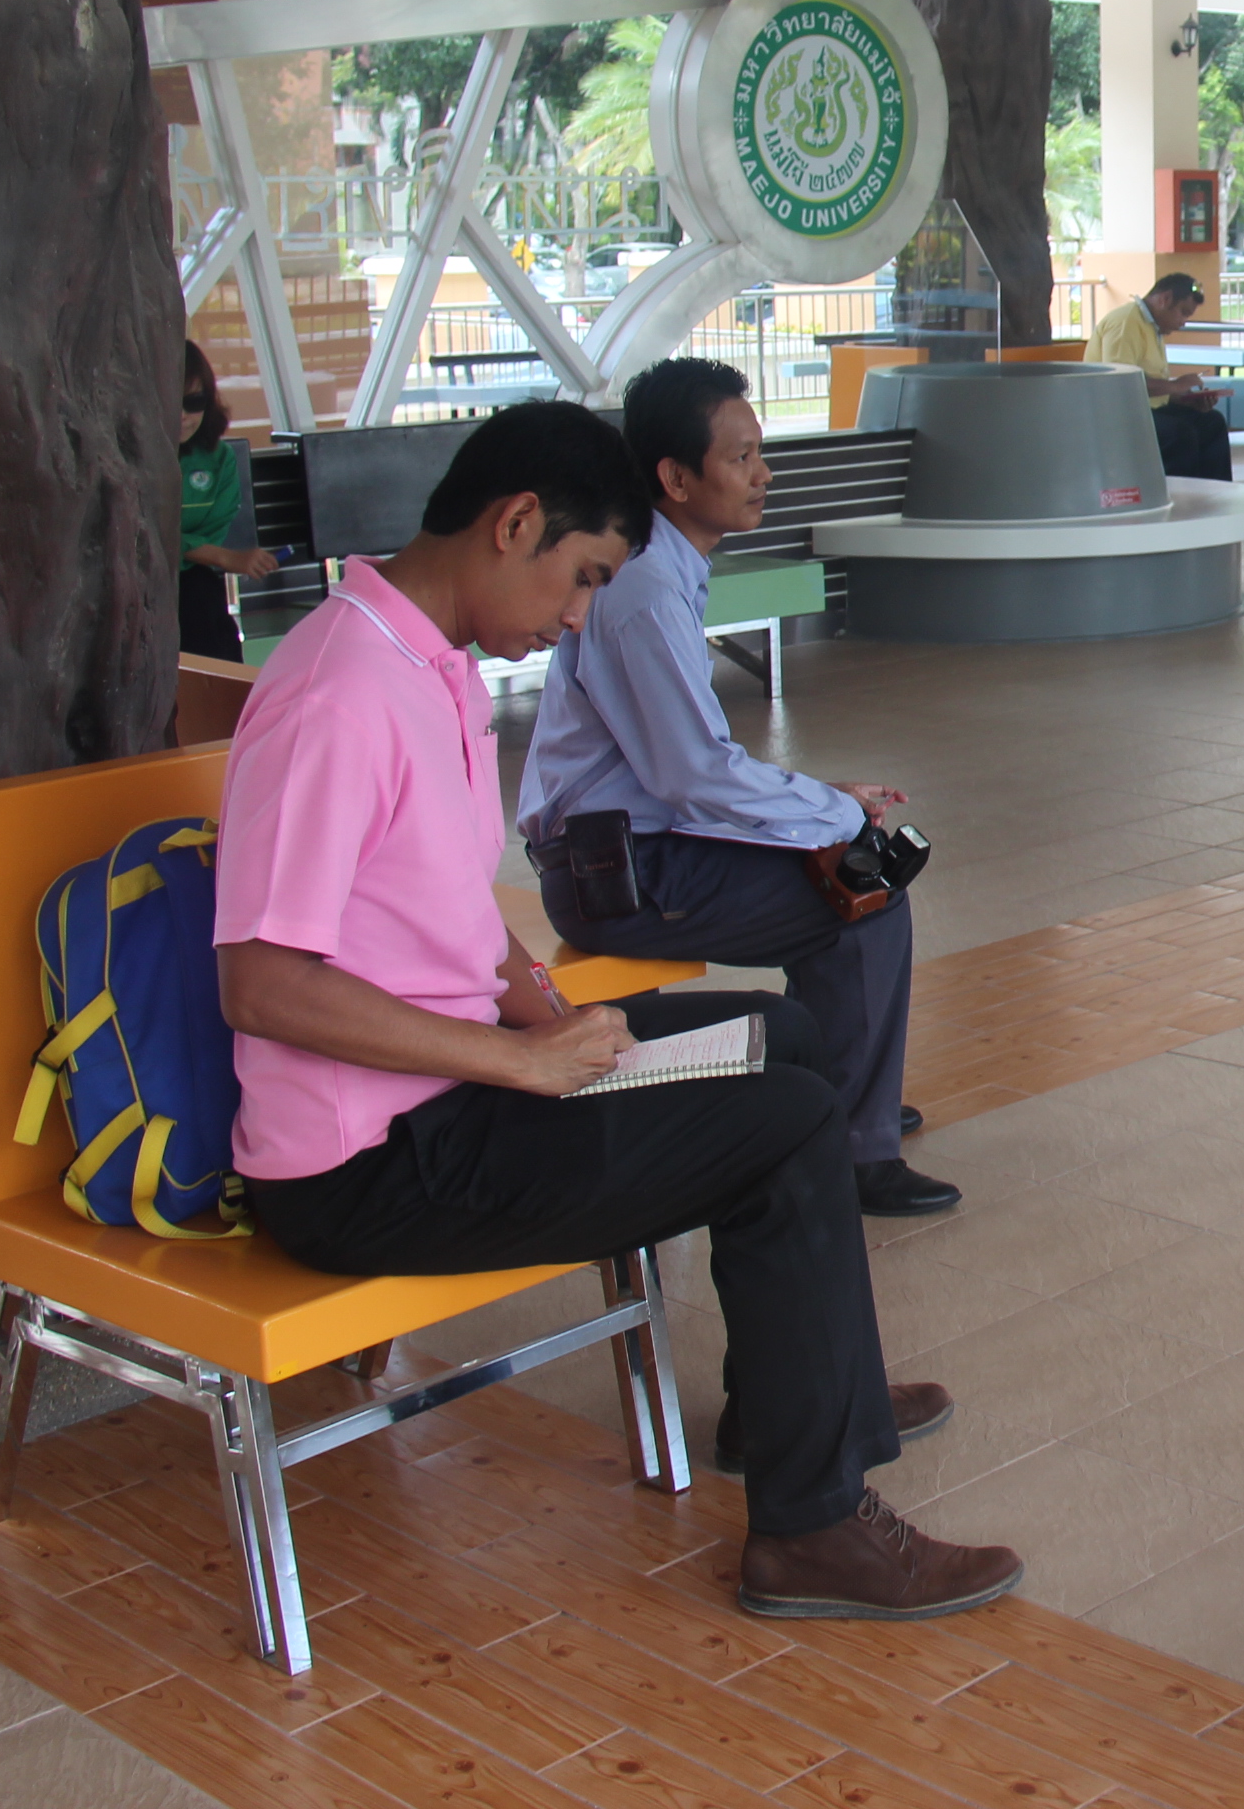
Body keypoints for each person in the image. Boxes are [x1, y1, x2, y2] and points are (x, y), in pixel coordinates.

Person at [217, 401, 1018, 1621]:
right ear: (514, 524)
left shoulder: (430, 664)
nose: (582, 615)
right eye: (584, 577)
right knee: (788, 1127)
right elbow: (264, 984)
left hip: (462, 1088)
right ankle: (810, 1529)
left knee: (790, 1040)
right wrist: (520, 1063)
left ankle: (795, 1406)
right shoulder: (338, 692)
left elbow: (446, 913)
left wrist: (544, 1018)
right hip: (372, 1160)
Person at [516, 358, 957, 1219]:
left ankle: (843, 1095)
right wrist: (832, 811)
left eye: (760, 453)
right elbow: (690, 775)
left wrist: (817, 802)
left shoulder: (657, 567)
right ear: (676, 478)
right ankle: (854, 1146)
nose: (763, 474)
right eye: (741, 457)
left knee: (838, 866)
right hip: (619, 873)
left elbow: (683, 768)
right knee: (865, 899)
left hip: (630, 849)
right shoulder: (644, 588)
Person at [176, 342, 278, 660]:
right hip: (133, 580)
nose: (182, 415)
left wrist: (200, 552)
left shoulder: (218, 460)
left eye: (194, 402)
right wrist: (224, 557)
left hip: (191, 582)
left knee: (200, 597)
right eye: (169, 401)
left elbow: (202, 535)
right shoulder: (126, 459)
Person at [1088, 272, 1232, 482]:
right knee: (1179, 434)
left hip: (1145, 409)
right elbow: (1120, 383)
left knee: (1211, 423)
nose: (1183, 322)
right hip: (1116, 415)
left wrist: (1185, 400)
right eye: (1183, 312)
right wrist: (1176, 385)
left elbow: (1150, 385)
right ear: (1165, 299)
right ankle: (1175, 494)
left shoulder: (1151, 327)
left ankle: (1214, 493)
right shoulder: (1126, 322)